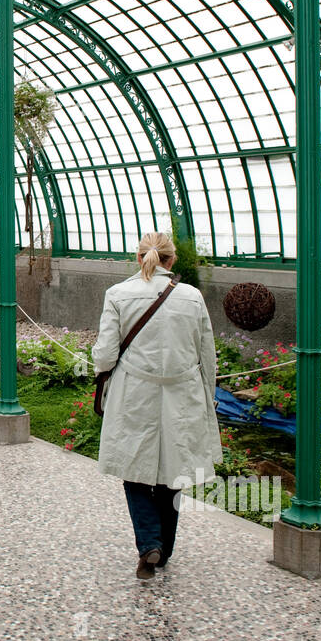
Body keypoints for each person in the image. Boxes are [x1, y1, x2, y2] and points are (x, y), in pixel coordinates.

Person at [92, 230, 221, 583]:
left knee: (133, 469)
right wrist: (207, 394)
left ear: (139, 257)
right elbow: (205, 354)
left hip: (134, 394)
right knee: (174, 470)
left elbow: (105, 355)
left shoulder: (117, 294)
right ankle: (164, 548)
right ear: (172, 259)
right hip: (182, 395)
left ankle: (150, 541)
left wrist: (98, 369)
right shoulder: (192, 297)